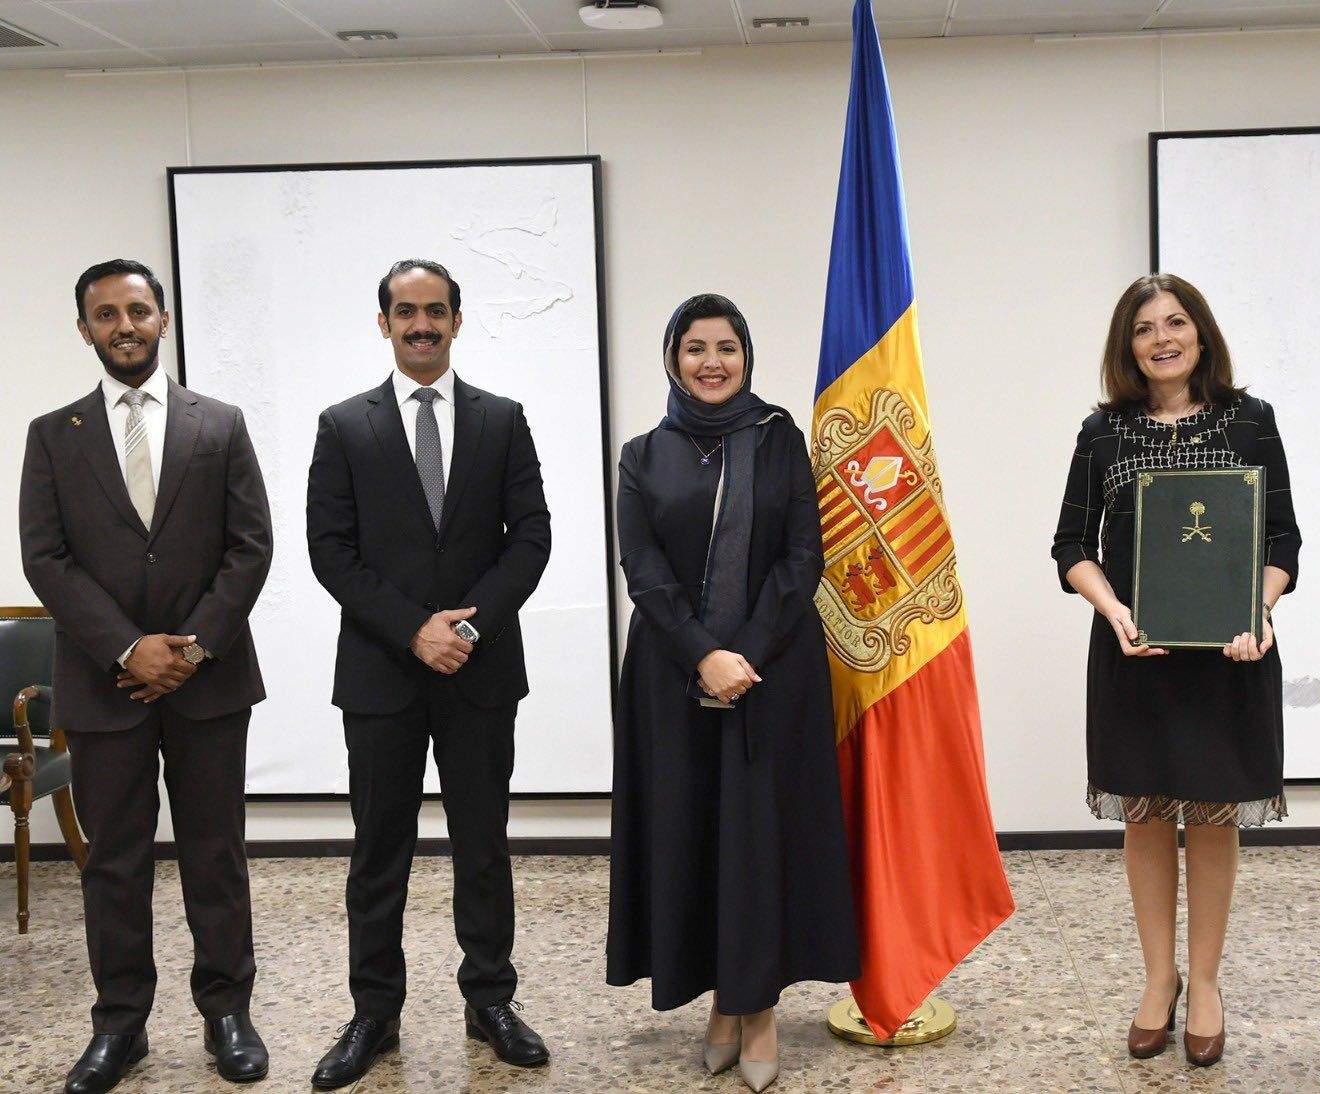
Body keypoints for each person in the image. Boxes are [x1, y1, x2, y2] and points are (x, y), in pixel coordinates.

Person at [19, 259, 273, 1092]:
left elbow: (250, 548)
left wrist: (189, 647)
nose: (123, 325)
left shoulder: (220, 423)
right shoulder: (53, 434)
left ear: (163, 319)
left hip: (210, 681)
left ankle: (227, 1013)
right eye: (104, 314)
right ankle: (120, 1026)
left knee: (215, 853)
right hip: (104, 685)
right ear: (85, 328)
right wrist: (130, 649)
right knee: (113, 862)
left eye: (137, 310)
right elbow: (45, 560)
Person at [304, 259, 553, 1088]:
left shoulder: (503, 420)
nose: (421, 324)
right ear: (384, 323)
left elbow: (532, 538)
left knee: (483, 842)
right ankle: (374, 1012)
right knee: (379, 850)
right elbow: (329, 552)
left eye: (435, 311)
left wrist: (467, 625)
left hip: (480, 672)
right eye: (405, 312)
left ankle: (490, 1000)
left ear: (456, 320)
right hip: (382, 673)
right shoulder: (344, 426)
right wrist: (415, 630)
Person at [605, 294, 859, 1092]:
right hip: (671, 677)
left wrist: (742, 652)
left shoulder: (777, 438)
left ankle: (757, 1010)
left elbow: (800, 558)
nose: (712, 362)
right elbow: (642, 570)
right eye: (694, 348)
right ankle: (720, 1000)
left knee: (759, 840)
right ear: (673, 358)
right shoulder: (644, 454)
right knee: (694, 834)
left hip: (773, 671)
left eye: (727, 348)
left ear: (747, 357)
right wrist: (701, 653)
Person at [1051, 273, 1299, 1068]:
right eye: (1145, 328)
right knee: (1147, 815)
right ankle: (1159, 980)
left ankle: (1211, 981)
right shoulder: (1102, 432)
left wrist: (1256, 609)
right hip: (1137, 655)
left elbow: (1282, 544)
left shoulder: (1251, 421)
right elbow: (1071, 548)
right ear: (1127, 346)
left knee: (1213, 816)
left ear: (1201, 332)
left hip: (1230, 656)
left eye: (1176, 323)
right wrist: (1114, 610)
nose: (1162, 339)